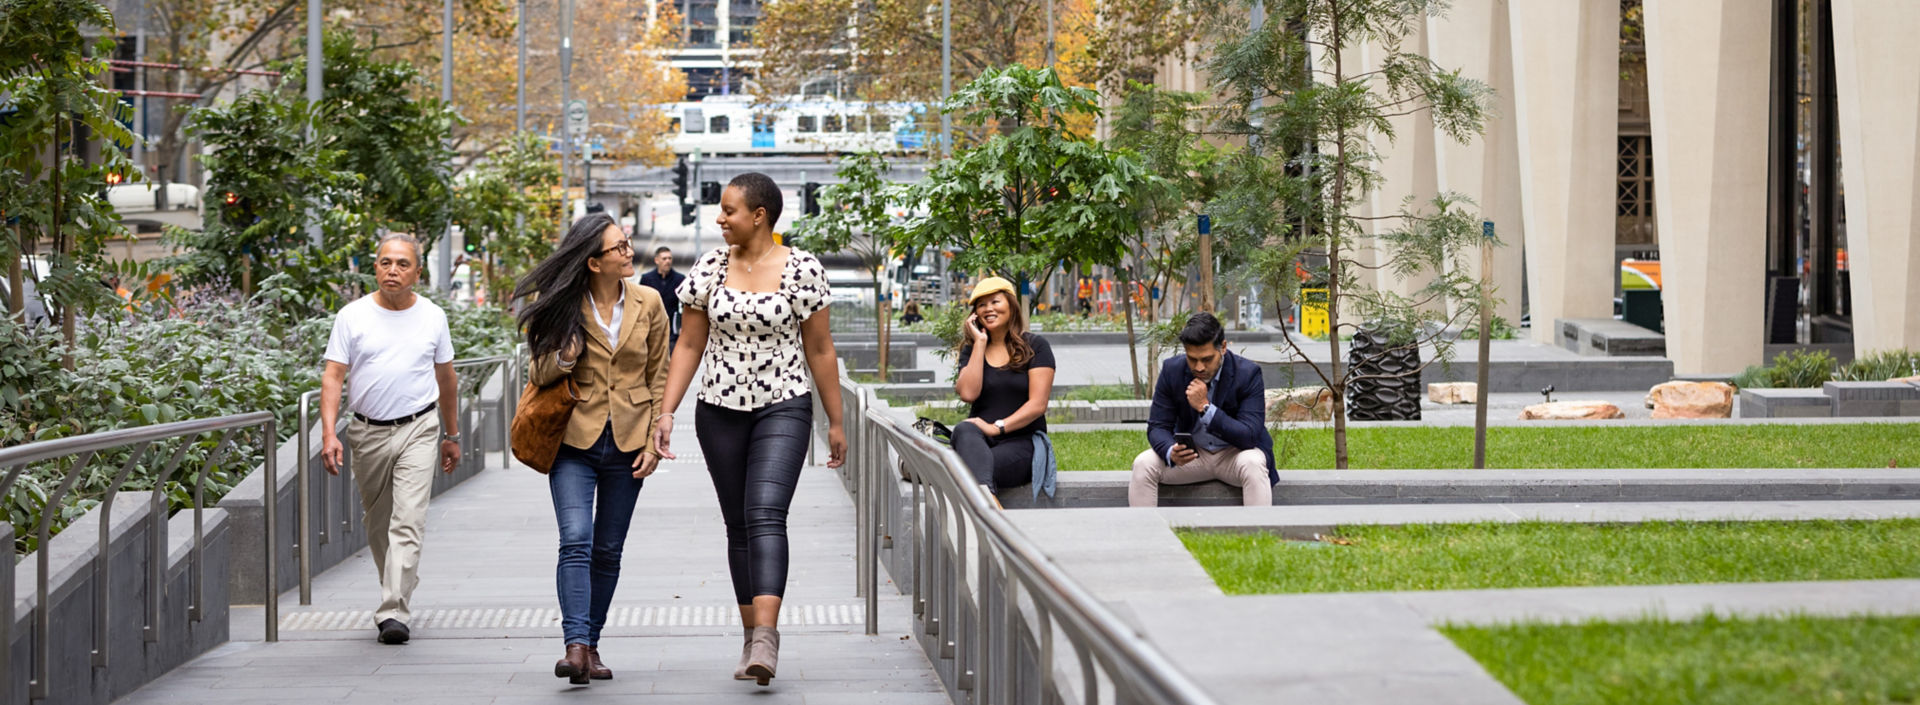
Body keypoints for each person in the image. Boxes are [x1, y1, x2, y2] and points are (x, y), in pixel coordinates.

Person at [654, 172, 846, 687]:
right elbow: (689, 346)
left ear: (759, 215)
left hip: (783, 405)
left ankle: (766, 637)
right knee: (737, 523)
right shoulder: (710, 268)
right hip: (718, 408)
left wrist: (836, 421)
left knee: (764, 512)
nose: (720, 218)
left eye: (729, 210)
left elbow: (820, 349)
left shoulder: (802, 268)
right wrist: (667, 411)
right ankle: (750, 639)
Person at [515, 212, 670, 684]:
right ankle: (575, 646)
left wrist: (653, 443)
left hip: (628, 443)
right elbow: (538, 373)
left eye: (627, 244)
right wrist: (566, 356)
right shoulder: (562, 305)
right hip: (573, 441)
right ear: (592, 262)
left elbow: (659, 376)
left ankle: (593, 643)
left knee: (607, 549)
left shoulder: (650, 302)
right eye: (619, 247)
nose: (628, 252)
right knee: (576, 541)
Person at [319, 233, 462, 646]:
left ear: (418, 272)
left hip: (419, 427)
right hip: (366, 432)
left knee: (408, 519)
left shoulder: (433, 316)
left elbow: (446, 379)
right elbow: (333, 376)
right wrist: (330, 432)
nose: (392, 270)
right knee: (379, 523)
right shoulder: (352, 316)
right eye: (385, 263)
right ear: (375, 267)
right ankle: (398, 583)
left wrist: (451, 435)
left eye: (402, 264)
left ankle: (394, 610)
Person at [1130, 312, 1276, 507]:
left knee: (1254, 464)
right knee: (1143, 464)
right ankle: (1145, 534)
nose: (1199, 367)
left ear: (1223, 347)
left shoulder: (1248, 373)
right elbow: (1157, 426)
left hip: (1235, 455)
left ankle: (1259, 534)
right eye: (1192, 359)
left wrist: (1205, 408)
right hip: (1193, 457)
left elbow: (1249, 436)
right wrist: (1170, 451)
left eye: (1207, 359)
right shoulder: (1172, 370)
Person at [951, 277, 1057, 496]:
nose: (988, 309)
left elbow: (1038, 404)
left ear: (1011, 305)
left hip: (1023, 442)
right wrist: (980, 343)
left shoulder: (1036, 346)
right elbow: (969, 393)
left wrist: (997, 427)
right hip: (978, 441)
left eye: (995, 302)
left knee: (973, 468)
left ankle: (984, 510)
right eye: (982, 304)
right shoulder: (972, 350)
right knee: (964, 429)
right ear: (975, 314)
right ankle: (989, 507)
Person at [638, 246, 686, 353]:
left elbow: (685, 305)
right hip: (652, 327)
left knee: (671, 360)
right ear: (656, 260)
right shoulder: (647, 278)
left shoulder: (680, 279)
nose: (668, 261)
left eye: (670, 258)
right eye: (664, 259)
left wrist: (682, 326)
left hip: (671, 329)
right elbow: (640, 303)